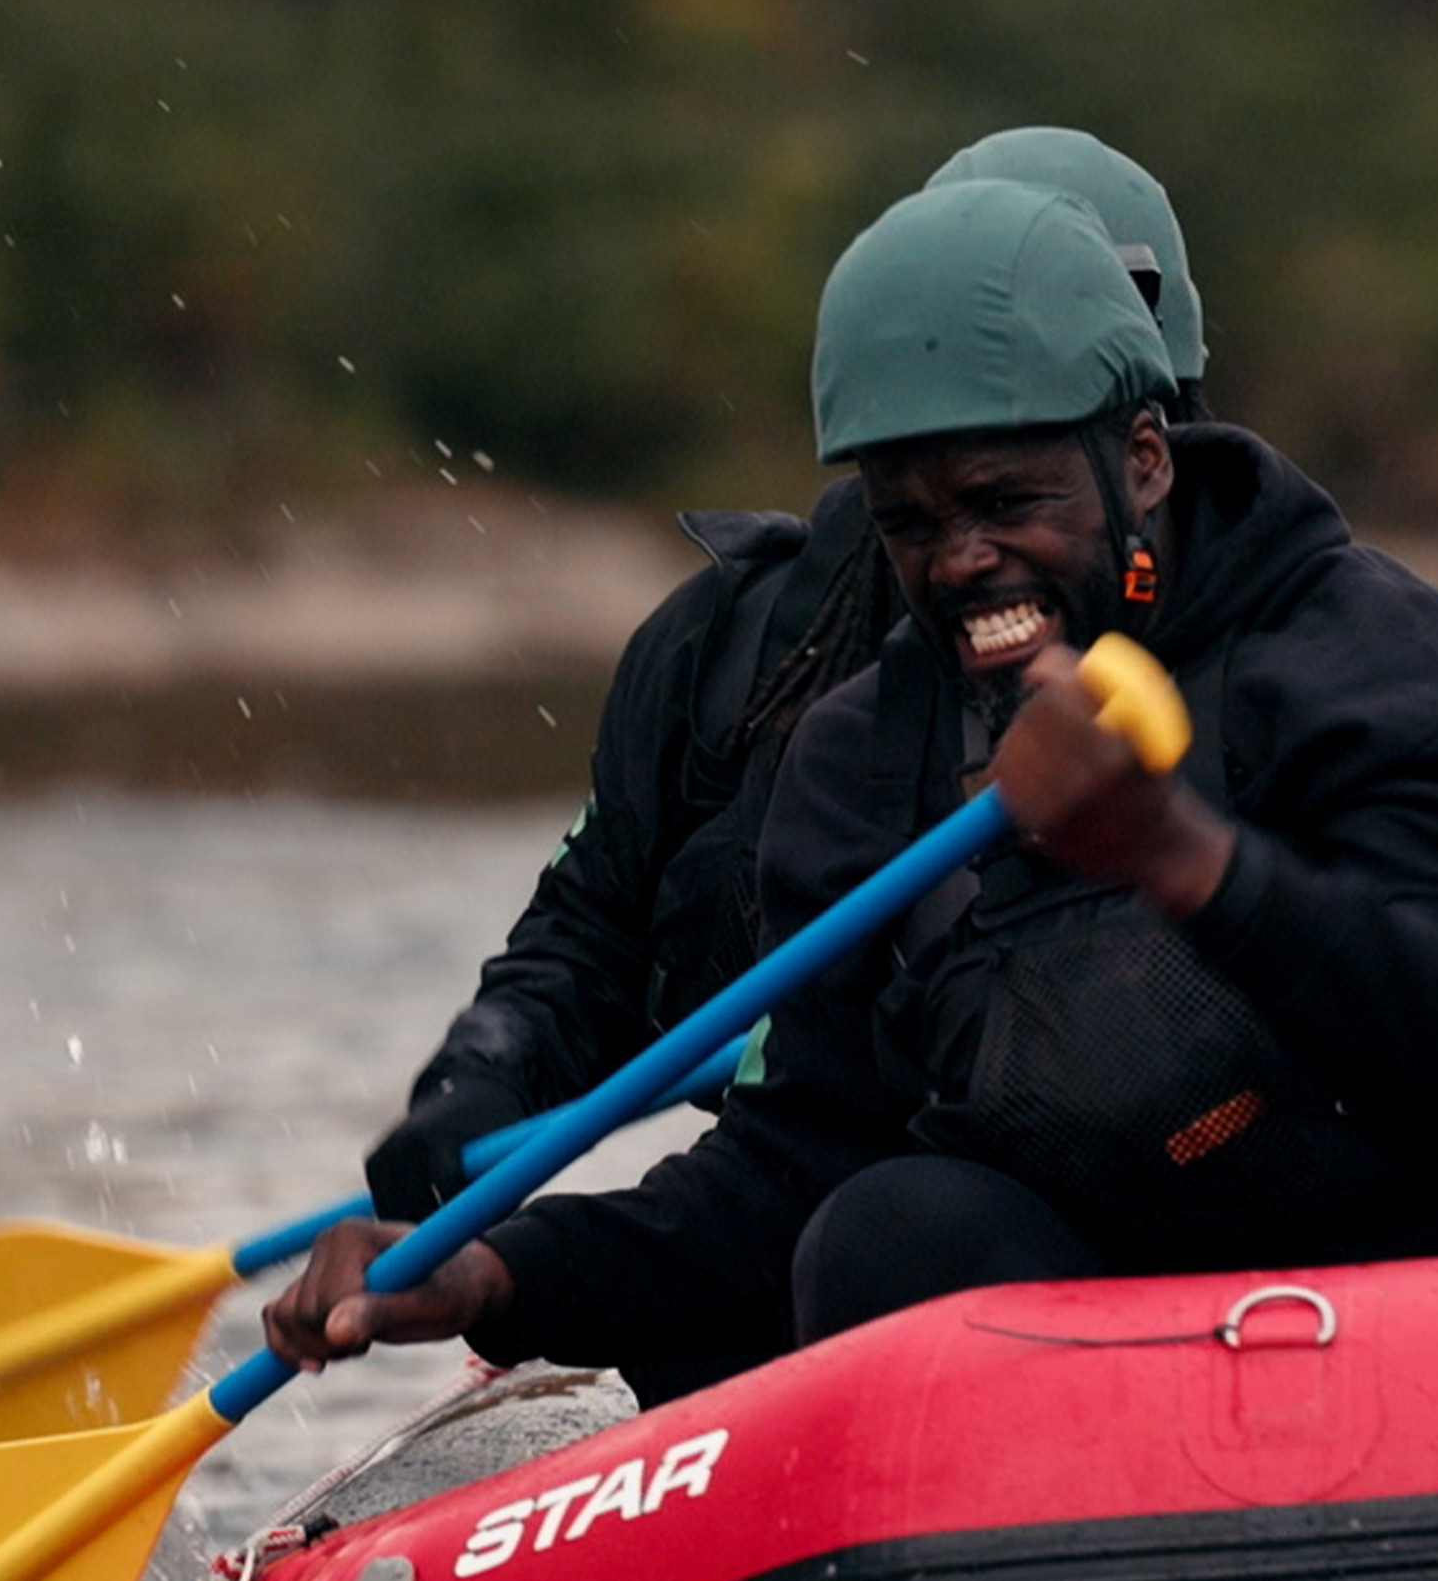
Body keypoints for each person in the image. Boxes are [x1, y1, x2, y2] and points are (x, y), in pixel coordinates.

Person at [276, 177, 1438, 1398]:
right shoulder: (862, 756)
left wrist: (1181, 857)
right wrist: (491, 1274)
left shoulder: (1392, 656)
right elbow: (789, 1166)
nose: (960, 562)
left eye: (1009, 503)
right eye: (912, 521)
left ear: (1144, 457)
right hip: (1093, 1348)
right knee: (883, 1233)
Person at [360, 127, 1215, 1224]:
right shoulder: (725, 650)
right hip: (786, 1224)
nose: (972, 543)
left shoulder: (1281, 649)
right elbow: (588, 929)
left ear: (1149, 439)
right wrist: (480, 1078)